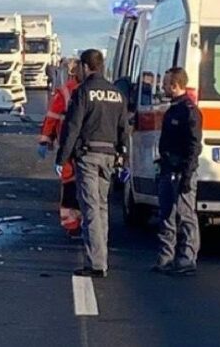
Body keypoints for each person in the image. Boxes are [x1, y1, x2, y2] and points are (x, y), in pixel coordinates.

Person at [56, 49, 129, 278]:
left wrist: (62, 157)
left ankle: (96, 263)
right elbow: (123, 129)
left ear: (86, 67)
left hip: (88, 156)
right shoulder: (117, 94)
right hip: (109, 157)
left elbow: (72, 127)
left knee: (90, 209)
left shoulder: (83, 92)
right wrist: (124, 158)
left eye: (79, 66)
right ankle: (101, 257)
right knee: (102, 207)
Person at [153, 67, 203, 276]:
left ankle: (187, 259)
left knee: (185, 216)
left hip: (182, 171)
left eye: (165, 84)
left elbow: (194, 146)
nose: (162, 87)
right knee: (166, 215)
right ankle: (166, 258)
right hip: (167, 169)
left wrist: (187, 175)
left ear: (175, 85)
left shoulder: (188, 111)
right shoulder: (174, 109)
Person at [38, 58, 82, 236]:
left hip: (69, 146)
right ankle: (81, 224)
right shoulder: (70, 91)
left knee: (70, 185)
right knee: (85, 187)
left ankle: (72, 224)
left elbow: (52, 118)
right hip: (84, 146)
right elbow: (53, 116)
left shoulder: (65, 92)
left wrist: (45, 140)